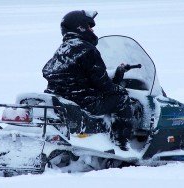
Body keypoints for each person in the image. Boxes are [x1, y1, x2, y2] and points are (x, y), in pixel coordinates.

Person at [42, 10, 134, 150]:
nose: (92, 30)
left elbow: (80, 75)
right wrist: (118, 88)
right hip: (85, 102)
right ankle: (122, 144)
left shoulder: (62, 49)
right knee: (122, 98)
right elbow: (103, 85)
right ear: (80, 27)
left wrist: (117, 73)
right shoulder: (87, 50)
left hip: (64, 99)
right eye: (90, 26)